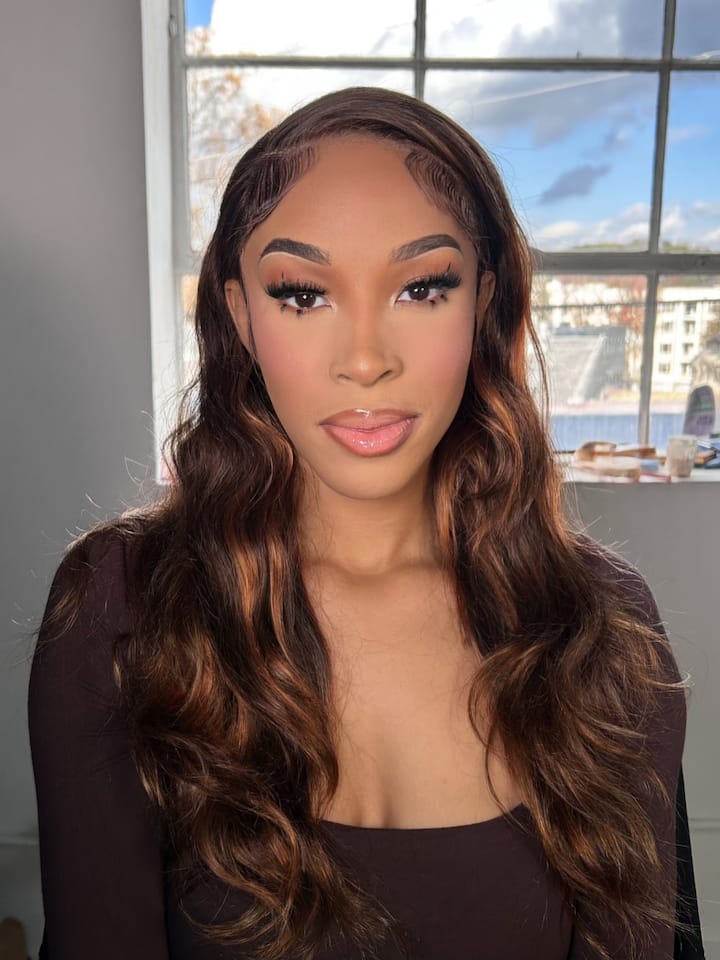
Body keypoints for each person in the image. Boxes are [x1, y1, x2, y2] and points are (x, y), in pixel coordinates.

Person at [28, 87, 700, 960]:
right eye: (303, 295)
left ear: (482, 301)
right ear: (240, 315)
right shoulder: (120, 609)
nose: (367, 360)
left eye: (422, 288)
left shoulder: (602, 626)